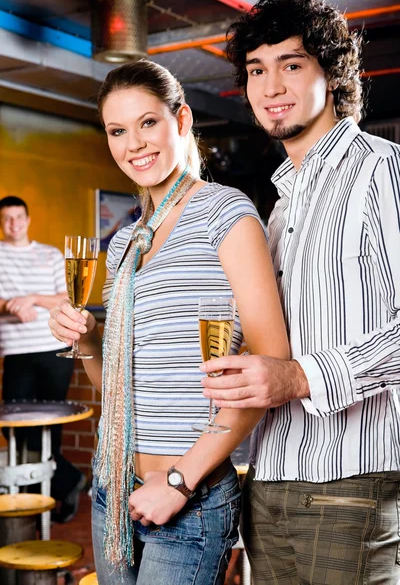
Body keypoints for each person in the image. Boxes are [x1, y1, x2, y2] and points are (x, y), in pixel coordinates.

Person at [48, 58, 290, 584]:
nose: (134, 143)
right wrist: (89, 341)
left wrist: (178, 482)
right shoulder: (126, 245)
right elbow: (116, 389)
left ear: (181, 120)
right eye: (117, 130)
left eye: (147, 122)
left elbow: (266, 372)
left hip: (189, 496)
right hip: (115, 488)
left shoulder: (226, 213)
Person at [199, 0, 400, 585]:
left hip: (351, 485)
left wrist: (299, 377)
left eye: (291, 64)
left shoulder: (381, 171)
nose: (271, 85)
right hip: (269, 481)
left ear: (332, 76)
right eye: (257, 70)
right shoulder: (282, 208)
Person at [0, 196, 86, 522]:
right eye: (7, 219)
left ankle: (44, 502)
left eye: (18, 217)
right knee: (18, 430)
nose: (14, 224)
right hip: (16, 351)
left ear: (28, 218)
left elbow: (67, 296)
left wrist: (31, 298)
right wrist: (10, 305)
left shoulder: (49, 254)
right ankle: (68, 480)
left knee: (51, 427)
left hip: (54, 349)